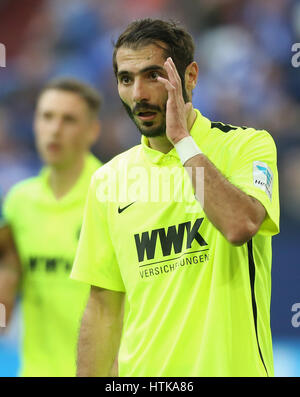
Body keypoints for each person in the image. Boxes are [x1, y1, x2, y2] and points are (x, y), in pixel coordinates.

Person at [71, 19, 280, 377]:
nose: (138, 93)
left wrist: (183, 141)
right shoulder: (108, 180)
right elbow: (103, 308)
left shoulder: (247, 146)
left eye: (153, 75)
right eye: (126, 78)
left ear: (191, 76)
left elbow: (240, 224)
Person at [2, 78, 103, 376]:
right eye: (46, 117)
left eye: (68, 119)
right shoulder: (18, 202)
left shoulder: (114, 195)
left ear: (92, 131)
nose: (54, 130)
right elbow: (7, 288)